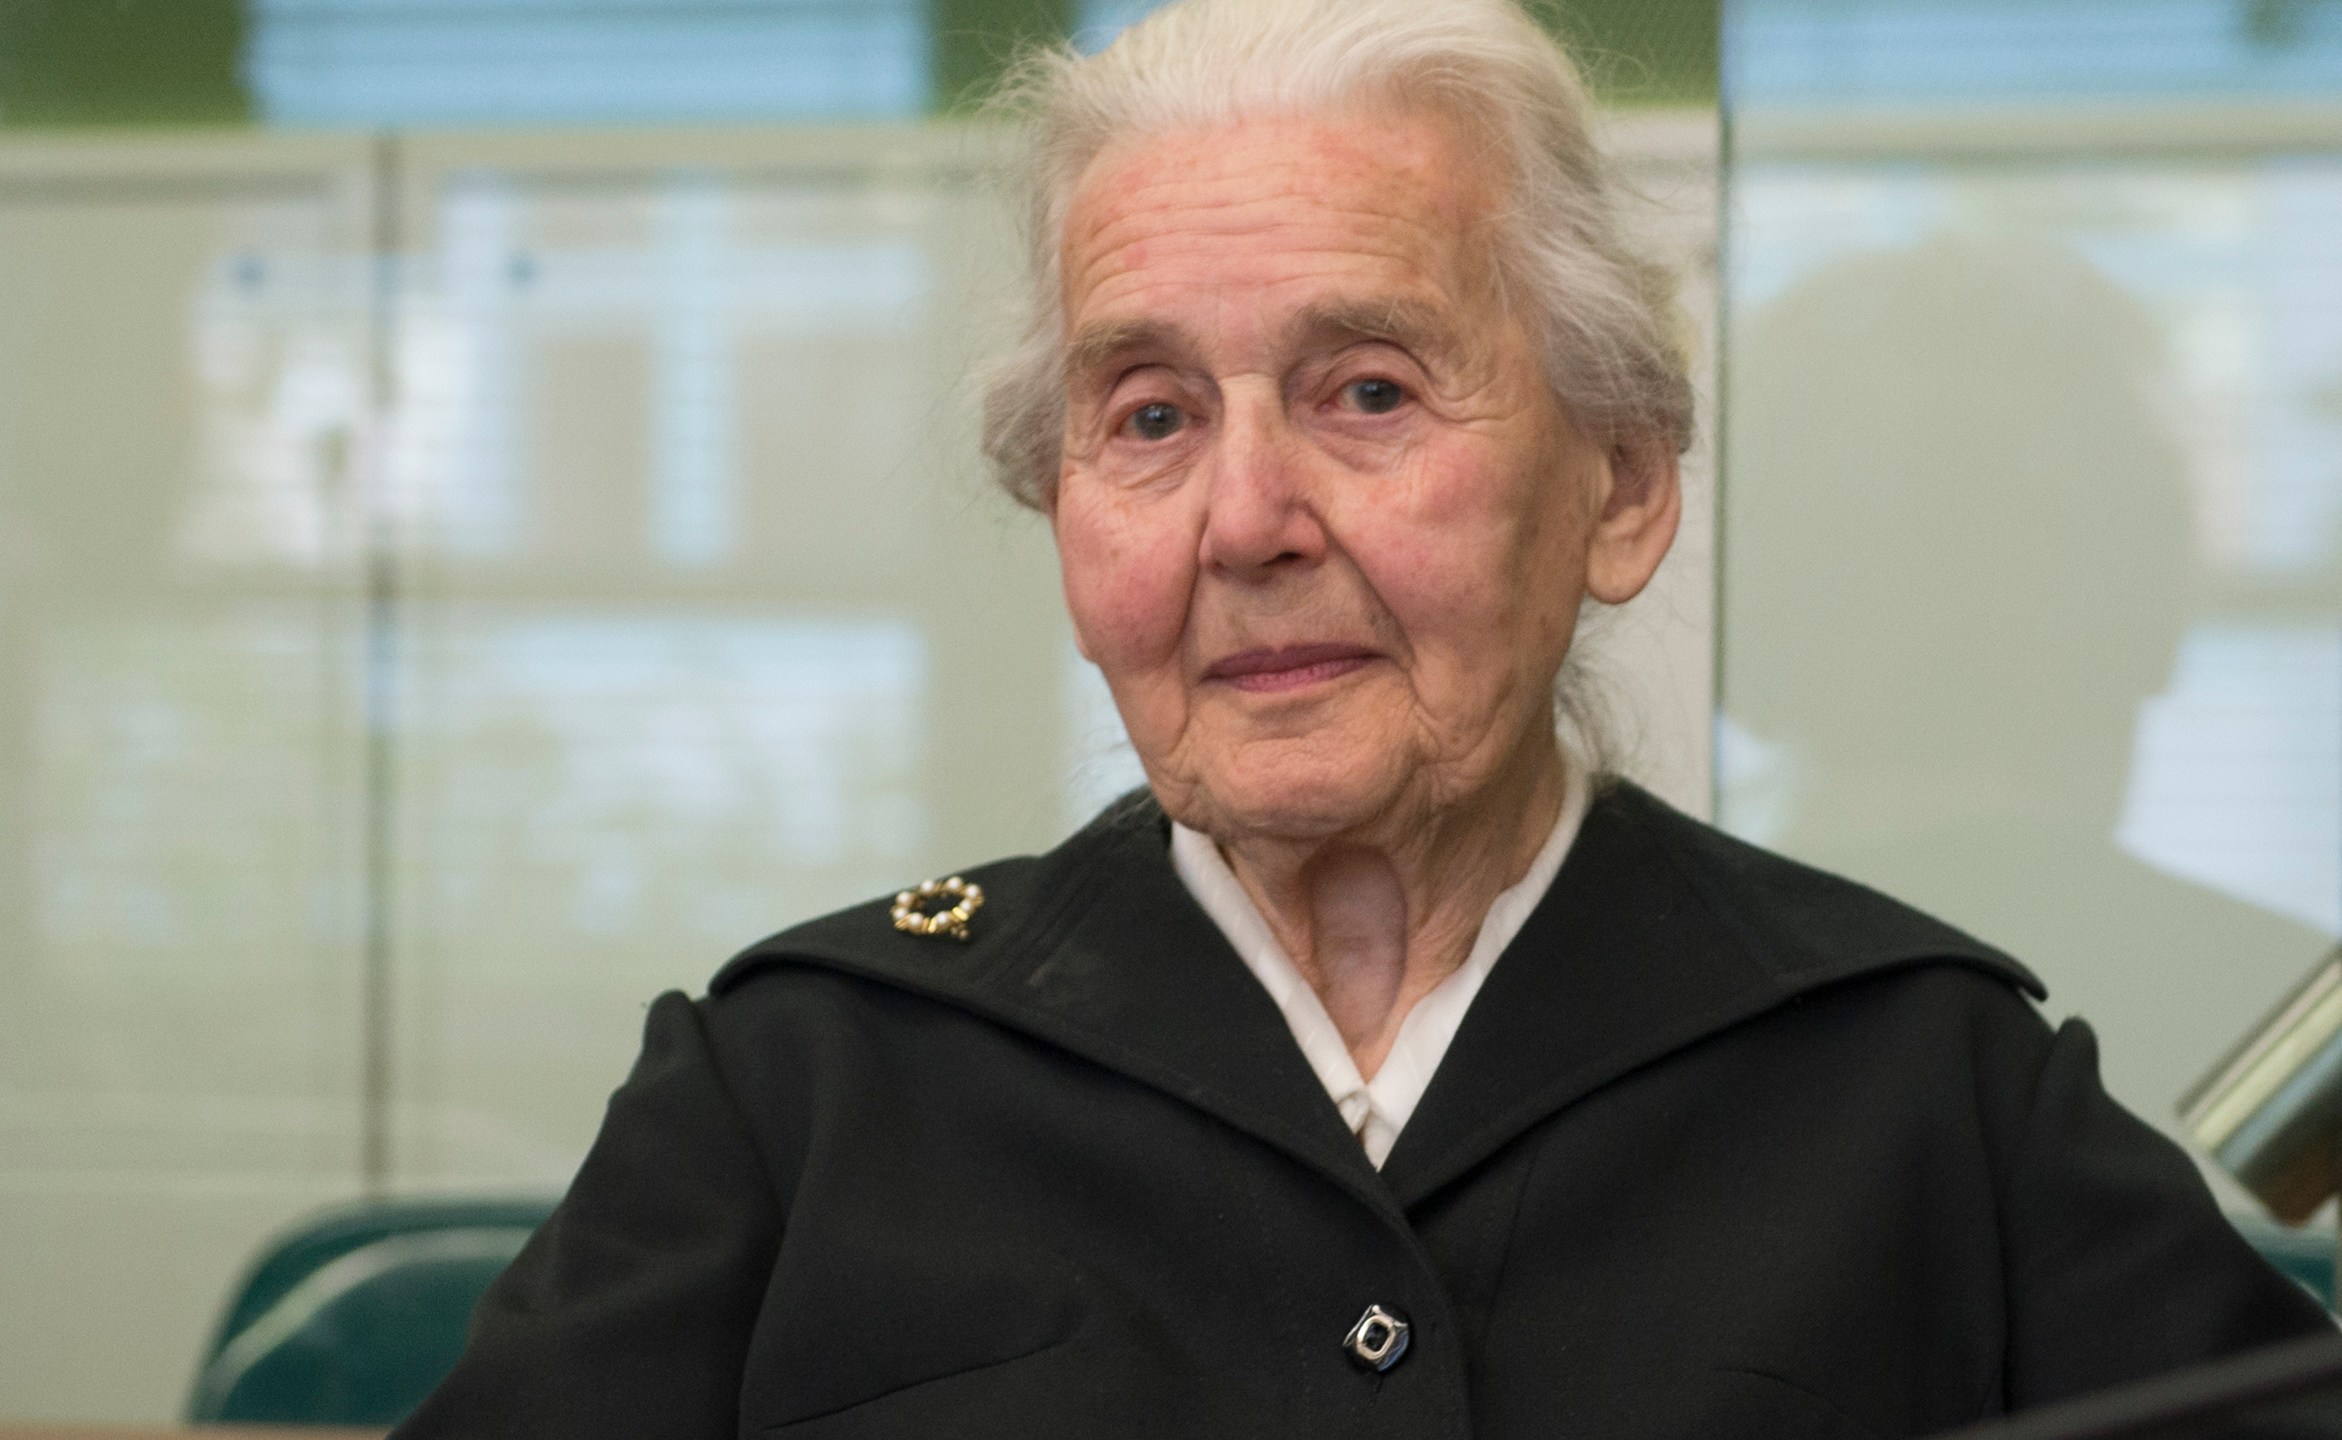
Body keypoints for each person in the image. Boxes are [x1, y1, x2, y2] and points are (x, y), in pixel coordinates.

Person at [393, 2, 2330, 1436]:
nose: (1245, 521)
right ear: (1061, 517)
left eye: (1370, 392)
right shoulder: (796, 1096)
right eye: (1147, 416)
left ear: (1622, 487)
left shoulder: (1928, 1094)